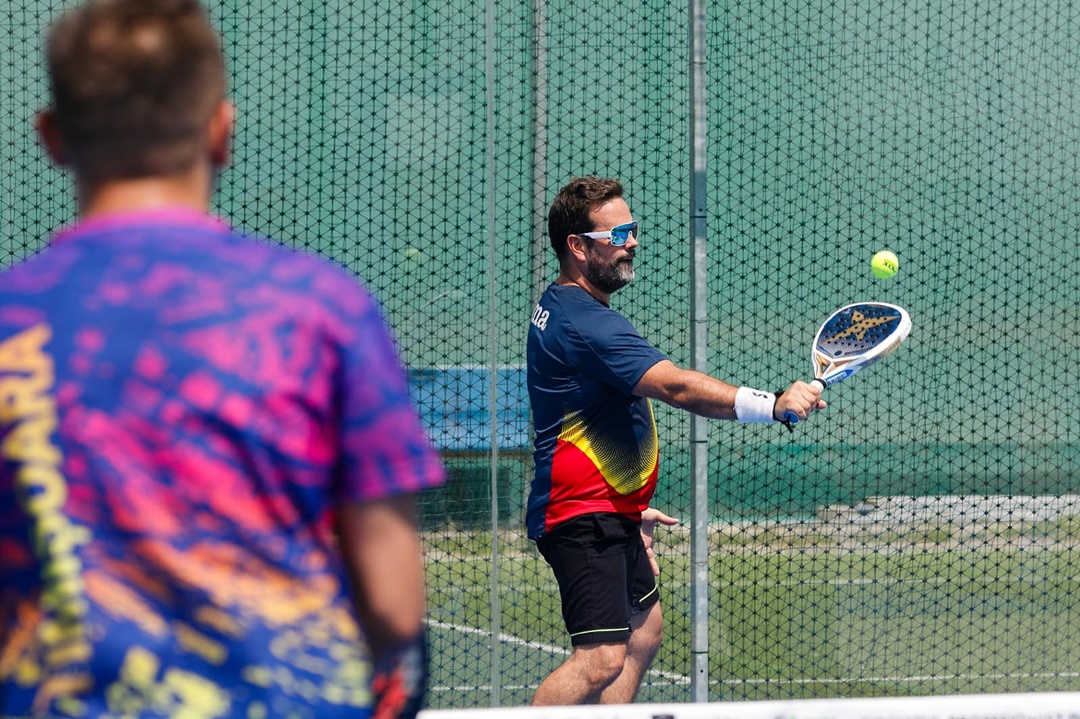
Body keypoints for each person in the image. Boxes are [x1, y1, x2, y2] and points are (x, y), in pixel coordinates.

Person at [0, 1, 445, 717]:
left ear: (51, 138)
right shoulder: (321, 310)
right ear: (222, 131)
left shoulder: (12, 319)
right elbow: (393, 606)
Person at [526, 176, 824, 705]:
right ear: (578, 246)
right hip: (581, 515)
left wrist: (630, 505)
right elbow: (677, 387)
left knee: (644, 633)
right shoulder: (584, 322)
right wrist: (773, 404)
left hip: (609, 508)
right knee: (600, 658)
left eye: (633, 229)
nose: (633, 243)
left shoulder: (566, 306)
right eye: (619, 234)